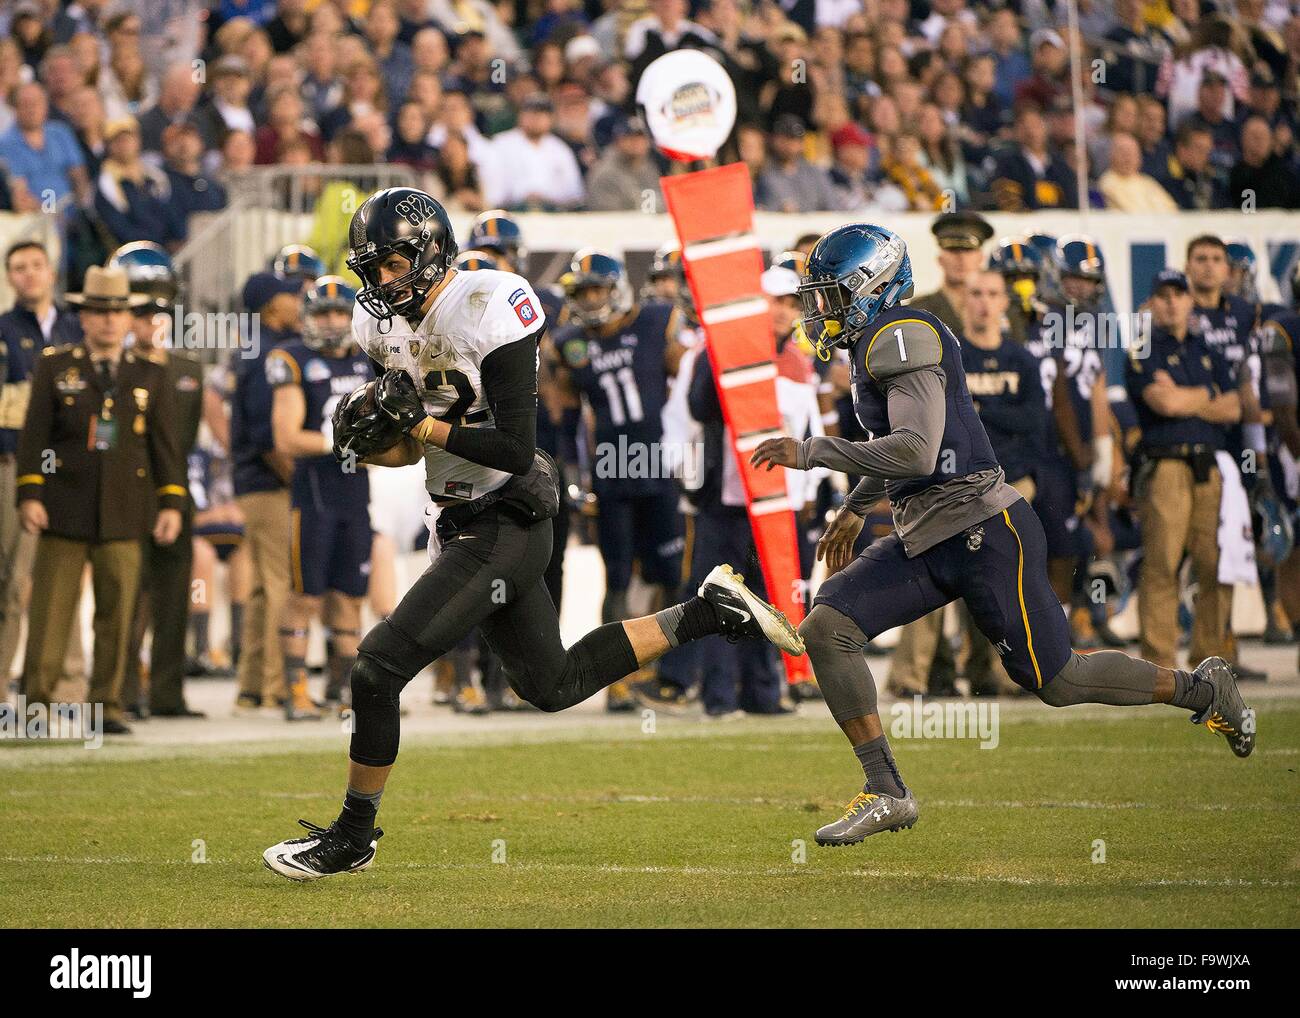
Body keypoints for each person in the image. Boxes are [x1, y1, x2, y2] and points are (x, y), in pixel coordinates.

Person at [262, 187, 802, 880]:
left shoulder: (492, 303)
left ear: (430, 250)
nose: (383, 283)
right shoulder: (381, 329)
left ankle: (352, 835)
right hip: (458, 514)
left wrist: (418, 424)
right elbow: (406, 452)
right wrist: (370, 438)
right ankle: (709, 611)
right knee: (552, 683)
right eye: (374, 270)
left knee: (376, 667)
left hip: (505, 518)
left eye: (394, 264)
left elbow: (516, 447)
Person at [750, 224, 1256, 848]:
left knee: (1059, 681)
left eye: (829, 295)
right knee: (828, 628)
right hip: (926, 531)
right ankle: (885, 790)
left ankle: (1203, 690)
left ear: (871, 287)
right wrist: (856, 505)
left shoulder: (901, 334)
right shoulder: (876, 342)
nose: (819, 310)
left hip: (982, 528)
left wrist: (811, 452)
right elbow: (905, 451)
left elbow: (915, 450)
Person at [17, 265, 186, 736]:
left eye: (117, 312)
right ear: (84, 317)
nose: (109, 321)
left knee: (119, 615)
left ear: (129, 318)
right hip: (62, 507)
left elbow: (165, 448)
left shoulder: (150, 373)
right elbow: (35, 438)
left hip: (126, 510)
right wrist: (30, 491)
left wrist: (171, 503)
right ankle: (35, 706)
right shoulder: (55, 366)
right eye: (99, 311)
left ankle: (106, 705)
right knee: (51, 612)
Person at [548, 249, 688, 712]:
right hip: (611, 470)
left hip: (656, 462)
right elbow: (565, 417)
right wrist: (573, 478)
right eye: (582, 291)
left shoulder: (654, 323)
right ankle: (618, 680)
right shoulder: (571, 343)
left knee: (669, 573)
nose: (590, 299)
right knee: (617, 577)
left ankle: (665, 671)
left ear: (618, 289)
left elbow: (688, 381)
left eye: (597, 289)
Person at [888, 210, 991, 698]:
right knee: (933, 569)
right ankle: (928, 673)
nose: (958, 258)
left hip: (984, 461)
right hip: (934, 460)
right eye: (951, 249)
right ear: (940, 256)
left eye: (967, 249)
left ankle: (986, 670)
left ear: (980, 255)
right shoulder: (920, 312)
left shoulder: (996, 312)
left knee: (986, 573)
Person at [267, 276, 375, 719]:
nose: (332, 321)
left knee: (349, 596)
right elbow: (286, 437)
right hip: (313, 497)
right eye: (322, 312)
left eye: (338, 312)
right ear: (307, 317)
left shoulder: (371, 360)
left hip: (356, 495)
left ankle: (340, 690)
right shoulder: (291, 359)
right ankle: (295, 690)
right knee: (305, 596)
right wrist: (348, 443)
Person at [1127, 269, 1241, 668]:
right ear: (1151, 304)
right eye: (1163, 295)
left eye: (1179, 294)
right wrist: (1207, 394)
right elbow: (1164, 405)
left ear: (1191, 301)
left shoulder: (1205, 347)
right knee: (1162, 564)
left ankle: (1211, 661)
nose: (1172, 302)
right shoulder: (1141, 347)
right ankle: (1159, 664)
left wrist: (1187, 396)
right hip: (1167, 466)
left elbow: (1234, 406)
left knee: (1215, 564)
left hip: (1210, 466)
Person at [113, 243, 206, 719]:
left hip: (176, 492)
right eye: (140, 311)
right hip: (128, 493)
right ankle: (122, 693)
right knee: (128, 597)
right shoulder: (116, 369)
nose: (150, 321)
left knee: (174, 598)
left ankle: (168, 694)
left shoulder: (190, 370)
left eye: (158, 312)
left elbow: (184, 442)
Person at [0, 241, 81, 687]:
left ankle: (68, 684)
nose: (29, 274)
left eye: (36, 266)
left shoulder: (76, 327)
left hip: (73, 467)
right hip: (16, 463)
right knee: (14, 580)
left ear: (51, 272)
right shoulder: (4, 330)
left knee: (67, 574)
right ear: (10, 278)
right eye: (18, 268)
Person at [231, 270, 304, 715]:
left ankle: (251, 685)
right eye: (292, 296)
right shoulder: (269, 349)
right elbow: (267, 434)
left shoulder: (251, 344)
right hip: (271, 481)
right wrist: (298, 479)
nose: (300, 302)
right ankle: (280, 687)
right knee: (282, 585)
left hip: (251, 482)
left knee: (261, 586)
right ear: (272, 305)